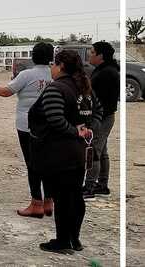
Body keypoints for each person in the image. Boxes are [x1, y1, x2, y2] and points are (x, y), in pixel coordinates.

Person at [29, 50, 103, 253]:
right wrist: (88, 130)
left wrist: (76, 131)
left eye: (54, 64)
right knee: (75, 196)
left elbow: (54, 118)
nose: (51, 69)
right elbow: (99, 112)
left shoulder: (57, 88)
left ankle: (62, 241)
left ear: (61, 66)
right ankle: (74, 239)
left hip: (59, 152)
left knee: (62, 198)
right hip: (79, 153)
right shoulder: (84, 87)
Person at [0, 43, 54, 218]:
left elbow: (5, 92)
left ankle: (36, 203)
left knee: (32, 164)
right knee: (48, 163)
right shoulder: (54, 74)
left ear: (33, 56)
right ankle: (49, 201)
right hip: (51, 125)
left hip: (27, 125)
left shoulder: (27, 75)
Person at [83, 41, 119, 199]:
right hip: (105, 116)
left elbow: (100, 100)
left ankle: (90, 186)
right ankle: (102, 184)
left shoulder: (106, 73)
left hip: (102, 118)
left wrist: (92, 119)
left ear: (100, 56)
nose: (90, 55)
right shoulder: (105, 70)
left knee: (94, 151)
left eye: (92, 52)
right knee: (102, 151)